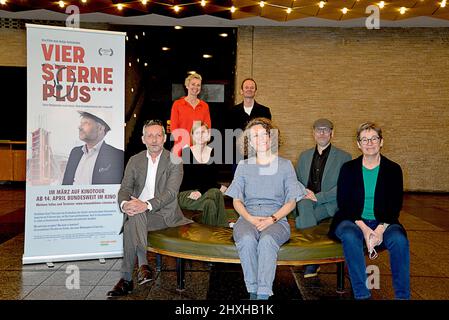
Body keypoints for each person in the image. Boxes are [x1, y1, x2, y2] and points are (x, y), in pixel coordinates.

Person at [107, 120, 193, 297]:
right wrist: (125, 204)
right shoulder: (135, 160)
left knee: (135, 216)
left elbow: (170, 193)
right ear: (143, 139)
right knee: (134, 216)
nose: (154, 140)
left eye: (158, 135)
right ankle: (142, 268)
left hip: (164, 214)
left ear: (164, 138)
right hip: (140, 212)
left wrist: (145, 205)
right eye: (150, 136)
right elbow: (125, 189)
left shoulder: (174, 161)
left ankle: (128, 278)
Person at [225, 117, 306, 300]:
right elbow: (237, 201)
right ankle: (252, 290)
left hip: (277, 219)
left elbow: (291, 202)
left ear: (271, 138)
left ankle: (262, 295)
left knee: (267, 241)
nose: (260, 138)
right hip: (247, 217)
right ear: (249, 141)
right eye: (255, 135)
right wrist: (251, 219)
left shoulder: (285, 166)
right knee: (246, 239)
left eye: (264, 134)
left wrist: (272, 219)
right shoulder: (243, 166)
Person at [328, 122, 410, 300]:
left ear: (381, 142)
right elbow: (345, 204)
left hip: (385, 222)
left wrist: (380, 230)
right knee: (350, 236)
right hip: (353, 220)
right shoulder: (348, 169)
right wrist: (365, 230)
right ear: (358, 144)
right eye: (364, 139)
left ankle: (403, 296)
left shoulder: (393, 170)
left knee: (399, 240)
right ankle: (362, 294)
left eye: (374, 138)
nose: (369, 143)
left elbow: (395, 205)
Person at [294, 118, 351, 278]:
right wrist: (304, 193)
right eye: (319, 130)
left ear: (332, 133)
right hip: (307, 201)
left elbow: (343, 186)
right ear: (313, 133)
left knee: (302, 219)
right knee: (305, 204)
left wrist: (318, 197)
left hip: (330, 204)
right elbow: (297, 181)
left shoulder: (344, 156)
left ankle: (309, 258)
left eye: (326, 130)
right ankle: (313, 259)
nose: (322, 133)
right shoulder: (304, 156)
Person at [178, 121, 229, 227]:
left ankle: (208, 236)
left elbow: (211, 179)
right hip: (187, 193)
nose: (200, 136)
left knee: (210, 202)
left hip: (205, 193)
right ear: (192, 136)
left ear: (209, 134)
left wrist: (203, 190)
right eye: (197, 133)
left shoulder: (215, 153)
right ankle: (224, 228)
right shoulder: (187, 152)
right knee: (216, 192)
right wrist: (218, 186)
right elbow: (193, 180)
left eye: (203, 132)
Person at [62, 111, 124, 185]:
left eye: (86, 123)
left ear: (100, 129)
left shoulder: (117, 156)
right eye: (81, 123)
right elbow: (65, 184)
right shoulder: (75, 152)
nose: (79, 127)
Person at [229, 78, 271, 168]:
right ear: (241, 91)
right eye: (246, 87)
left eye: (252, 88)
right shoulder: (232, 111)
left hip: (258, 153)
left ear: (255, 91)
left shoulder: (264, 111)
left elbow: (268, 133)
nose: (249, 89)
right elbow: (229, 133)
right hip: (237, 154)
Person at [170, 73, 211, 155]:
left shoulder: (204, 106)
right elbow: (174, 129)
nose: (195, 87)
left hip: (199, 150)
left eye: (198, 85)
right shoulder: (177, 104)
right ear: (187, 86)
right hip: (181, 149)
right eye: (193, 84)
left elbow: (207, 129)